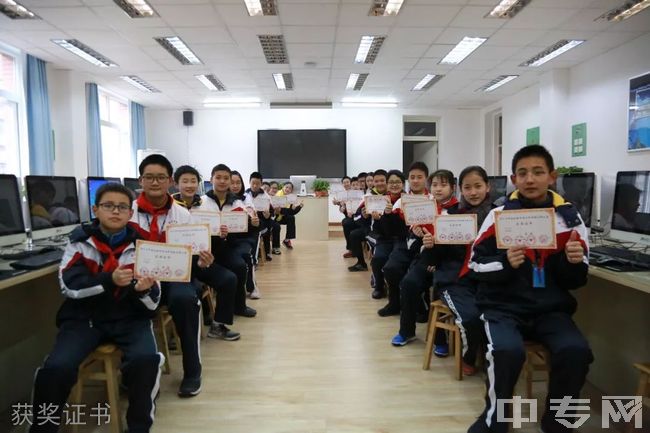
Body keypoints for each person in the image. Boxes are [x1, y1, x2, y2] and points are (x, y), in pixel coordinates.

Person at [467, 145, 593, 433]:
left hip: (550, 309)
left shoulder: (569, 218)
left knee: (576, 350)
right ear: (514, 179)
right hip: (502, 307)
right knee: (505, 351)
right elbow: (474, 264)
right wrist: (505, 263)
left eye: (538, 172)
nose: (530, 179)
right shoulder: (499, 215)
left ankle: (558, 422)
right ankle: (495, 420)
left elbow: (577, 279)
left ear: (552, 176)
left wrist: (571, 262)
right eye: (522, 173)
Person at [31, 183, 162, 433]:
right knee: (57, 367)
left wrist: (142, 290)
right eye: (108, 206)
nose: (116, 212)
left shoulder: (144, 246)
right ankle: (42, 428)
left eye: (122, 207)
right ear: (95, 209)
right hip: (85, 318)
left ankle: (139, 426)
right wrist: (108, 279)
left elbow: (154, 301)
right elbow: (70, 287)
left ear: (130, 213)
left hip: (129, 318)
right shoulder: (80, 242)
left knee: (146, 360)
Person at [130, 154, 212, 397]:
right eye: (149, 177)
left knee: (185, 300)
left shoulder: (182, 215)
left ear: (169, 182)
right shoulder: (128, 213)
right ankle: (134, 371)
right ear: (140, 180)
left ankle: (192, 371)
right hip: (140, 279)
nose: (155, 183)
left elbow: (193, 258)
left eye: (161, 178)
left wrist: (202, 261)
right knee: (125, 300)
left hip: (175, 278)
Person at [170, 165, 241, 342]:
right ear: (175, 183)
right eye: (184, 181)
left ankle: (218, 326)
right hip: (175, 262)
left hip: (199, 260)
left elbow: (208, 240)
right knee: (188, 292)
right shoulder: (169, 206)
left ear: (199, 183)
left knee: (229, 278)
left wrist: (221, 235)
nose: (189, 185)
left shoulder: (204, 206)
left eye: (193, 181)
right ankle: (175, 334)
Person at [198, 164, 259, 318]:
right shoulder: (201, 202)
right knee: (211, 274)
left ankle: (239, 306)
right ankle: (207, 314)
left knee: (239, 266)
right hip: (206, 249)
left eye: (226, 178)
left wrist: (253, 223)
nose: (222, 181)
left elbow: (246, 229)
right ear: (211, 179)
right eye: (218, 177)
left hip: (225, 247)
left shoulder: (236, 203)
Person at [377, 161, 430, 316]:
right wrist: (387, 215)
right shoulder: (400, 202)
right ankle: (394, 303)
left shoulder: (432, 199)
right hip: (404, 242)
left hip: (426, 244)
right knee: (390, 268)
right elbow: (390, 231)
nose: (415, 180)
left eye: (419, 177)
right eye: (412, 177)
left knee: (418, 271)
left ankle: (420, 304)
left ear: (425, 179)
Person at [369, 170, 405, 300]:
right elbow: (376, 229)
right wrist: (378, 219)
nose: (394, 185)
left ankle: (398, 289)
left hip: (402, 239)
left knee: (395, 263)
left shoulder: (407, 200)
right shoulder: (380, 200)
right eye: (391, 182)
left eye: (397, 182)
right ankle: (379, 286)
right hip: (385, 238)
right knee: (378, 259)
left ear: (403, 183)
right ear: (387, 184)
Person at [348, 169, 388, 272]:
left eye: (382, 180)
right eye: (376, 181)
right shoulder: (368, 197)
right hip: (372, 230)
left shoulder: (394, 196)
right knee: (354, 234)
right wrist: (364, 215)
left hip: (391, 231)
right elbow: (356, 217)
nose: (379, 183)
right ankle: (361, 263)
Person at [231, 170, 262, 299]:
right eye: (232, 182)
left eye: (238, 182)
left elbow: (254, 217)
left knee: (246, 255)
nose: (235, 185)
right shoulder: (221, 201)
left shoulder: (245, 198)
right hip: (229, 236)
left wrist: (254, 220)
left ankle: (252, 287)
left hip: (247, 235)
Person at [273, 181, 303, 250]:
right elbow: (282, 210)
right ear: (283, 187)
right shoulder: (278, 194)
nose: (288, 189)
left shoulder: (291, 198)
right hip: (275, 216)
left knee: (291, 217)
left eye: (290, 188)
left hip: (282, 216)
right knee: (277, 226)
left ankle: (287, 240)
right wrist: (289, 210)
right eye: (286, 187)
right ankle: (276, 246)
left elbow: (291, 213)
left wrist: (299, 207)